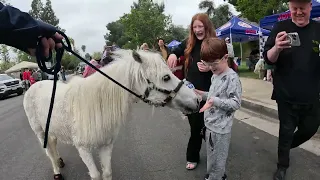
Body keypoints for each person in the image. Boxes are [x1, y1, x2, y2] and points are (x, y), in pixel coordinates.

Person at [263, 0, 320, 179]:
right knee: (286, 130)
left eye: (302, 8)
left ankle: (286, 145)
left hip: (312, 94)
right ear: (289, 7)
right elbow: (268, 59)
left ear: (310, 7)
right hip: (286, 94)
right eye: (294, 8)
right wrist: (277, 48)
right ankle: (282, 165)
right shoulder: (280, 27)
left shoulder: (318, 29)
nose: (298, 12)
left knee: (311, 128)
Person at [167, 13, 216, 170]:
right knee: (195, 128)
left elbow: (224, 65)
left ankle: (215, 156)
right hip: (191, 93)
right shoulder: (189, 42)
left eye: (200, 26)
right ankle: (192, 157)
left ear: (206, 26)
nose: (197, 30)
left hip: (211, 91)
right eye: (194, 27)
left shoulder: (214, 43)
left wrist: (210, 67)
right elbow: (177, 49)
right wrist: (173, 54)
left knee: (210, 128)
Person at [195, 37, 242, 180]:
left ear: (225, 57)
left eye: (214, 63)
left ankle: (216, 176)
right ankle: (216, 175)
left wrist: (215, 101)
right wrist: (201, 94)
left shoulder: (232, 78)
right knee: (212, 157)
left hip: (221, 130)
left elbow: (235, 103)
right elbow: (213, 95)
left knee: (218, 161)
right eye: (207, 64)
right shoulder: (215, 75)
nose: (211, 67)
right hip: (210, 126)